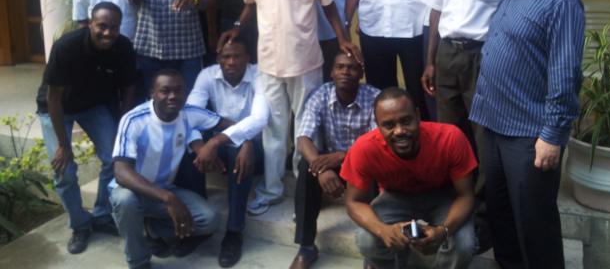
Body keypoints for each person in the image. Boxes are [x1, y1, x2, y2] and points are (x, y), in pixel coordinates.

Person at [218, 0, 361, 216]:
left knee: (305, 130)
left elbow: (328, 3)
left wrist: (343, 38)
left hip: (305, 58)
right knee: (273, 130)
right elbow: (251, 3)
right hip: (269, 59)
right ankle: (272, 189)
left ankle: (304, 191)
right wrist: (237, 27)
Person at [470, 0, 584, 268]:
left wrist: (552, 135)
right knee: (501, 215)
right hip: (494, 126)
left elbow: (565, 73)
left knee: (535, 223)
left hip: (530, 134)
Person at [420, 0, 506, 250]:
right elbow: (436, 8)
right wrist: (429, 61)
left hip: (483, 54)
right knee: (450, 137)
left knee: (485, 139)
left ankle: (485, 220)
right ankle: (454, 208)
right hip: (447, 55)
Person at [341, 87, 476, 269]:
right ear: (377, 125)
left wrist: (443, 231)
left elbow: (466, 195)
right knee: (367, 240)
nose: (399, 131)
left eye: (406, 121)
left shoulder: (450, 138)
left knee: (464, 244)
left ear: (418, 116)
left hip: (443, 195)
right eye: (389, 125)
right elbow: (353, 202)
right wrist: (383, 230)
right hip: (395, 197)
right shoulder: (364, 148)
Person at [40, 2, 136, 254]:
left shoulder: (123, 47)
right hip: (57, 108)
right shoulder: (67, 46)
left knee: (114, 158)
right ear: (89, 24)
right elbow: (53, 98)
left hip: (93, 106)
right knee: (64, 171)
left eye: (113, 27)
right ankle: (80, 225)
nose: (108, 33)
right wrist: (64, 145)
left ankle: (102, 215)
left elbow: (128, 89)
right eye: (101, 26)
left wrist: (121, 129)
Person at [110, 68, 222, 269]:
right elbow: (121, 172)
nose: (172, 96)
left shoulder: (190, 113)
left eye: (178, 90)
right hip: (133, 191)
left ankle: (153, 228)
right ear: (152, 93)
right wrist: (168, 198)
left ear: (185, 93)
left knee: (209, 219)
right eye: (165, 90)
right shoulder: (134, 119)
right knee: (125, 201)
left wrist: (240, 143)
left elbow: (227, 124)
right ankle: (138, 261)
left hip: (165, 189)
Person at [289, 52, 379, 269]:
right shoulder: (321, 95)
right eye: (340, 67)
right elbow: (303, 138)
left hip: (363, 163)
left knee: (377, 166)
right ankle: (306, 247)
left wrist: (342, 156)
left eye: (352, 67)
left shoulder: (375, 98)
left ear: (361, 74)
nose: (345, 72)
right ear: (331, 72)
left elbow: (378, 144)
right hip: (332, 165)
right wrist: (320, 169)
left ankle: (374, 250)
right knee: (306, 165)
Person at [186, 36, 268, 267]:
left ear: (248, 58)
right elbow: (190, 115)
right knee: (188, 150)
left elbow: (260, 118)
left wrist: (219, 142)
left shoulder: (260, 75)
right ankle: (198, 224)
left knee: (238, 153)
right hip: (223, 145)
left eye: (237, 56)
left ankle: (234, 232)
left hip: (257, 150)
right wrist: (202, 148)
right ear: (218, 59)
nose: (231, 62)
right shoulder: (207, 75)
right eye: (226, 56)